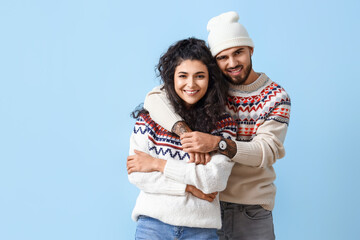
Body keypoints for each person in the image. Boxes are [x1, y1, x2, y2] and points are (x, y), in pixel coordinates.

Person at [142, 11, 291, 240]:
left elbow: (266, 151)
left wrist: (216, 143)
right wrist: (187, 135)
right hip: (206, 203)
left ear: (250, 50)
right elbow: (154, 98)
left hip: (250, 208)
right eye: (222, 57)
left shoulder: (276, 97)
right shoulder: (210, 86)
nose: (232, 63)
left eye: (238, 52)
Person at [127, 38, 238, 239]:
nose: (191, 84)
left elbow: (214, 180)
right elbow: (138, 174)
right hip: (153, 226)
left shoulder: (223, 124)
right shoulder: (150, 118)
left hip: (201, 231)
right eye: (183, 76)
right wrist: (189, 187)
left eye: (200, 76)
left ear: (211, 79)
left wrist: (158, 164)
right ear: (172, 78)